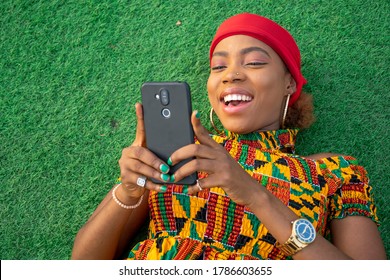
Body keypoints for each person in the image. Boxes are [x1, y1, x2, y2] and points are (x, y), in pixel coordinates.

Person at [71, 13, 386, 260]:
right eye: (218, 66)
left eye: (254, 62)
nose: (231, 74)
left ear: (289, 83)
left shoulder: (335, 172)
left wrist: (255, 194)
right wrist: (128, 192)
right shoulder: (181, 153)